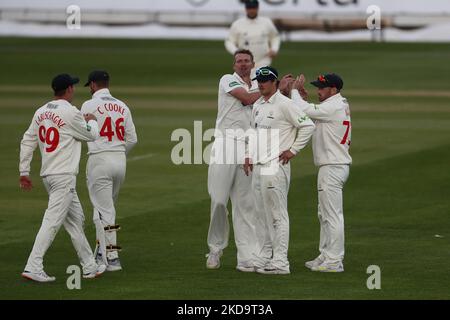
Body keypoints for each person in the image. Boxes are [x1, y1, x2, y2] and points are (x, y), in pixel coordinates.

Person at [19, 73, 107, 282]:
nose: (74, 90)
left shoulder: (40, 111)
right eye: (73, 87)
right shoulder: (71, 112)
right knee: (51, 221)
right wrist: (92, 121)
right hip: (64, 176)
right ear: (68, 89)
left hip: (49, 176)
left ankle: (89, 266)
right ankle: (33, 266)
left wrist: (24, 171)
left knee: (75, 220)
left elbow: (27, 140)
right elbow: (91, 135)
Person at [244, 66, 315, 274]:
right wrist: (248, 154)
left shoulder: (286, 104)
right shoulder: (257, 104)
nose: (261, 83)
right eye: (259, 79)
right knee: (260, 214)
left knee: (277, 215)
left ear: (275, 82)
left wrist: (293, 150)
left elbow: (308, 125)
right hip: (258, 166)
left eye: (266, 80)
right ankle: (265, 255)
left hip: (275, 167)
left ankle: (281, 262)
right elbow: (253, 133)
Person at [289, 73, 352, 272]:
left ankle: (334, 261)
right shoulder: (334, 105)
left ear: (333, 90)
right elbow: (308, 112)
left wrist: (294, 91)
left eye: (322, 88)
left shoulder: (334, 106)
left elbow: (304, 109)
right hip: (331, 166)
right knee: (324, 213)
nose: (319, 91)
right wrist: (302, 98)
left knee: (332, 215)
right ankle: (326, 254)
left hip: (333, 167)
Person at [206, 49, 261, 272]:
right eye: (239, 61)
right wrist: (272, 90)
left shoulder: (260, 85)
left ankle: (247, 256)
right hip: (225, 143)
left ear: (253, 63)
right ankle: (215, 249)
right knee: (218, 200)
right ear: (234, 64)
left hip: (248, 146)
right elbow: (247, 99)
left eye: (246, 61)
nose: (243, 64)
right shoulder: (227, 80)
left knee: (245, 203)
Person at [81, 70, 138, 272]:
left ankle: (112, 256)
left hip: (99, 160)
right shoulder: (122, 106)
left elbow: (82, 132)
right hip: (119, 161)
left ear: (94, 85)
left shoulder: (88, 105)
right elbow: (132, 139)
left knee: (104, 210)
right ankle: (101, 251)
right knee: (105, 209)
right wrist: (118, 153)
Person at [225, 0, 281, 74]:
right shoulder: (237, 24)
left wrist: (274, 49)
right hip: (244, 62)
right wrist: (236, 52)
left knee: (261, 83)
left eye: (253, 8)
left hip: (263, 60)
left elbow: (275, 37)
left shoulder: (266, 22)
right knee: (245, 83)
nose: (251, 10)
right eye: (249, 8)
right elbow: (229, 41)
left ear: (257, 8)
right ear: (246, 9)